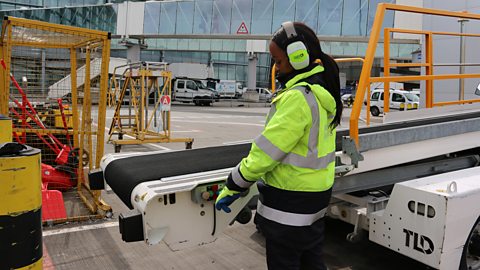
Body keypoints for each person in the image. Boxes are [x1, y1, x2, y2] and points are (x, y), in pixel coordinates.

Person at [215, 21, 342, 270]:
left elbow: (266, 152)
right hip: (314, 200)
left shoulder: (297, 98)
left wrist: (234, 184)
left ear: (299, 58)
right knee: (311, 259)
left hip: (289, 205)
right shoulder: (321, 92)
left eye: (279, 61)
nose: (275, 68)